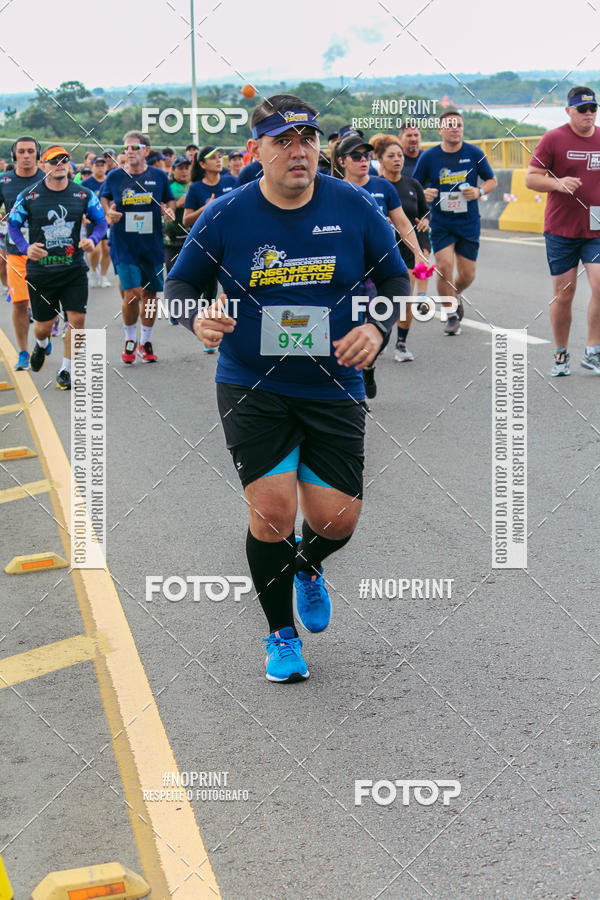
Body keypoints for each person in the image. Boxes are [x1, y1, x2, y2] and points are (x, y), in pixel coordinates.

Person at [165, 94, 410, 684]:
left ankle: (307, 564)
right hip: (252, 382)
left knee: (337, 521)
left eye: (308, 139)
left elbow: (396, 277)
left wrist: (377, 326)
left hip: (333, 383)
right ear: (258, 151)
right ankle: (281, 635)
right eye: (283, 141)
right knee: (271, 513)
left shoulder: (353, 204)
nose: (299, 152)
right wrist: (194, 318)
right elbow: (177, 289)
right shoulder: (226, 213)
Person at [8, 145, 106, 390]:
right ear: (44, 166)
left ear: (69, 164)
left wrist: (92, 240)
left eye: (64, 160)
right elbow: (12, 225)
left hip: (73, 269)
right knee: (43, 326)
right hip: (41, 271)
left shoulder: (83, 195)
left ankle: (66, 369)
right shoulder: (29, 196)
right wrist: (25, 247)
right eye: (54, 161)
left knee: (78, 319)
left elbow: (101, 223)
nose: (59, 164)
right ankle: (41, 345)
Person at [334, 132, 425, 396]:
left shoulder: (383, 187)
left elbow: (403, 222)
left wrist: (418, 252)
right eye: (356, 156)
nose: (363, 160)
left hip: (378, 267)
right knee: (348, 324)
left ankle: (369, 363)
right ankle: (354, 385)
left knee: (380, 319)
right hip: (345, 268)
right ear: (342, 161)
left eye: (367, 156)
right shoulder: (332, 190)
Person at [525, 86, 600, 376]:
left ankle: (593, 351)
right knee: (565, 293)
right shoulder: (553, 139)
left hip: (595, 228)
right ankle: (561, 352)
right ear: (568, 110)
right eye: (582, 109)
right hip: (561, 229)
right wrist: (558, 184)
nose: (589, 114)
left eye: (593, 108)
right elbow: (532, 178)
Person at [413, 110, 497, 335]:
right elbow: (414, 186)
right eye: (450, 125)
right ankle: (450, 314)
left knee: (468, 274)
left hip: (468, 222)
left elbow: (492, 180)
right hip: (441, 222)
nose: (455, 128)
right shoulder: (429, 157)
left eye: (458, 124)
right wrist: (425, 193)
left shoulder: (474, 153)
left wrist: (479, 191)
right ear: (440, 130)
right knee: (444, 266)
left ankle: (454, 295)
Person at [100, 131, 175, 364]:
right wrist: (108, 212)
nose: (130, 152)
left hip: (151, 244)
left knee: (151, 296)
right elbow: (103, 197)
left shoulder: (159, 176)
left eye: (135, 148)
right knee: (132, 294)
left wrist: (168, 210)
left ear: (146, 150)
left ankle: (146, 340)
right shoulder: (115, 177)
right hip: (125, 244)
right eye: (126, 148)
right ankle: (130, 338)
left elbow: (169, 199)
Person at [377, 136, 431, 362]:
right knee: (380, 300)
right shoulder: (375, 185)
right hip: (383, 247)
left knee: (404, 298)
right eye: (391, 156)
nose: (397, 160)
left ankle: (401, 343)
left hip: (411, 244)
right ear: (379, 159)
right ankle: (379, 334)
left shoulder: (412, 185)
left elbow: (425, 211)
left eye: (399, 155)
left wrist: (426, 221)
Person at [0, 136, 45, 370]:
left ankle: (43, 337)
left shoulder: (46, 178)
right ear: (14, 155)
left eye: (30, 151)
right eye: (21, 152)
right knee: (20, 302)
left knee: (46, 300)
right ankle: (23, 352)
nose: (26, 155)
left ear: (38, 154)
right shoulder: (4, 180)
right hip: (16, 249)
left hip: (48, 251)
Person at [82, 156, 111, 287]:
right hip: (92, 221)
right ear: (92, 167)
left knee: (107, 249)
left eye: (102, 165)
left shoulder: (110, 182)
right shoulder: (86, 184)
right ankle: (93, 271)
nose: (100, 168)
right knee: (95, 249)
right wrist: (82, 216)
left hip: (108, 220)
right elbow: (79, 202)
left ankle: (104, 276)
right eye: (97, 165)